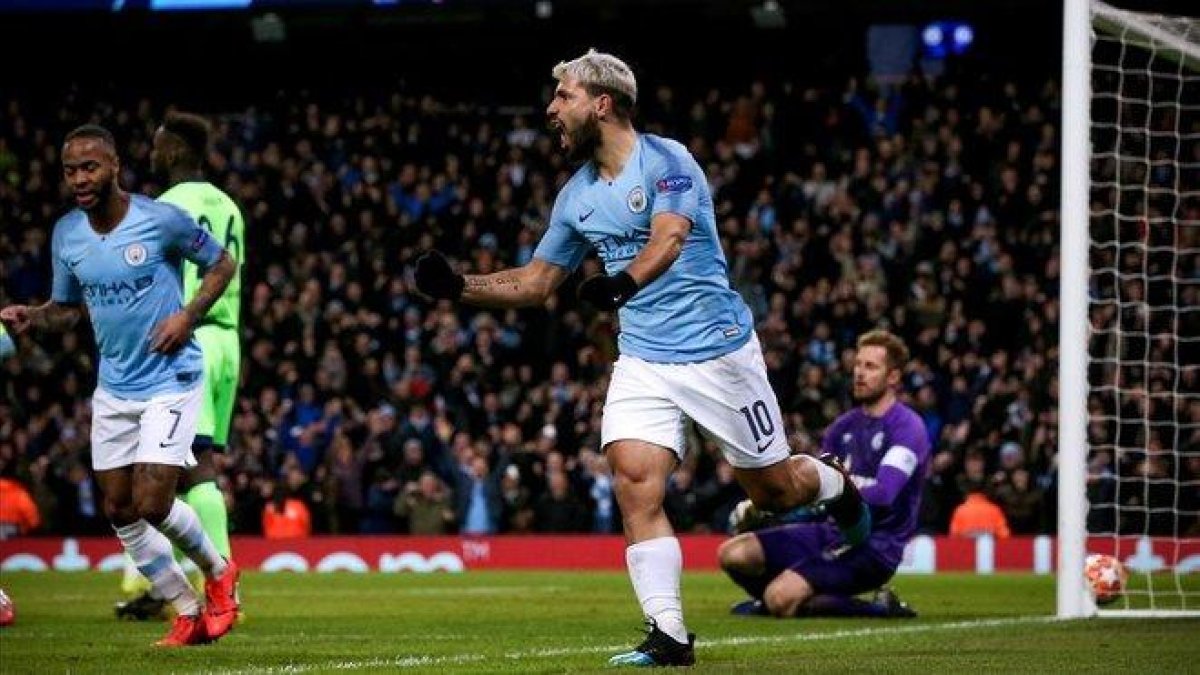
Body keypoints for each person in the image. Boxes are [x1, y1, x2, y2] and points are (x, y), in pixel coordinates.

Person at [412, 49, 868, 667]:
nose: (551, 109)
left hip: (718, 352)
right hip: (644, 358)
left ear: (600, 103)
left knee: (775, 489)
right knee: (633, 483)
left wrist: (620, 285)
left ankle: (835, 486)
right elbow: (540, 281)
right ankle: (669, 635)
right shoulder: (575, 196)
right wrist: (459, 286)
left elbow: (670, 239)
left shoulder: (668, 160)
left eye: (563, 96)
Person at [0, 124, 240, 647]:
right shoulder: (67, 233)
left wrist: (189, 316)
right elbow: (67, 309)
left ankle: (220, 574)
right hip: (114, 387)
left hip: (171, 377)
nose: (80, 179)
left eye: (90, 167)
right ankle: (184, 608)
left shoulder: (160, 220)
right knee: (118, 508)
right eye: (70, 170)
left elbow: (223, 262)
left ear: (114, 168)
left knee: (153, 501)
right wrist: (32, 318)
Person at [114, 111, 246, 622]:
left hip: (184, 339)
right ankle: (151, 581)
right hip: (226, 340)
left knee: (181, 465)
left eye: (156, 145)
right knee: (190, 459)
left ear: (173, 152)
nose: (150, 153)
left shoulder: (168, 205)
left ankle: (219, 585)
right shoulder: (229, 205)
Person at [719, 330, 929, 619]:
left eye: (871, 367)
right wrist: (774, 514)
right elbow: (818, 496)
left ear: (893, 377)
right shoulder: (841, 428)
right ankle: (781, 600)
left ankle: (879, 608)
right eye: (857, 364)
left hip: (876, 544)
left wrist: (839, 486)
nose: (859, 373)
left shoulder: (908, 428)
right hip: (830, 532)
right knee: (734, 554)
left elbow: (884, 494)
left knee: (780, 597)